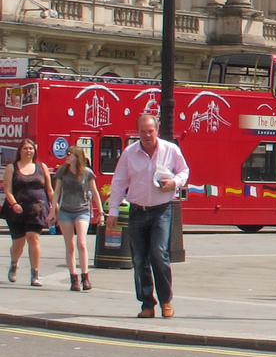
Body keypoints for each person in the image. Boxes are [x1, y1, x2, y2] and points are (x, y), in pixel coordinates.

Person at [106, 115, 188, 318]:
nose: (146, 135)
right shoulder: (129, 153)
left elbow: (184, 171)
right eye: (142, 131)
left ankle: (166, 301)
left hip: (161, 210)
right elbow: (118, 182)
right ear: (137, 133)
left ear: (156, 131)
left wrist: (175, 183)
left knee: (159, 254)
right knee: (139, 259)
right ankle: (147, 304)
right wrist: (113, 211)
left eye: (150, 131)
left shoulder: (171, 150)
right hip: (137, 210)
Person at [5, 138, 55, 288]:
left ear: (35, 151)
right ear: (20, 151)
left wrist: (55, 207)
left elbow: (49, 189)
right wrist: (13, 203)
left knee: (33, 239)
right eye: (25, 149)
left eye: (31, 149)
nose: (28, 151)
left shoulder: (41, 167)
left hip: (37, 209)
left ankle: (35, 273)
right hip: (17, 210)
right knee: (18, 244)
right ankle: (14, 263)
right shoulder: (12, 167)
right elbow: (8, 190)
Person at [54, 146, 102, 292]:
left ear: (77, 156)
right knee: (70, 245)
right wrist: (52, 210)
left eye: (69, 154)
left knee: (81, 242)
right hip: (65, 211)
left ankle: (85, 277)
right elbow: (57, 192)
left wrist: (100, 211)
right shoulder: (62, 171)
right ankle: (73, 278)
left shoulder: (87, 173)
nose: (66, 156)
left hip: (82, 210)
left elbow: (94, 192)